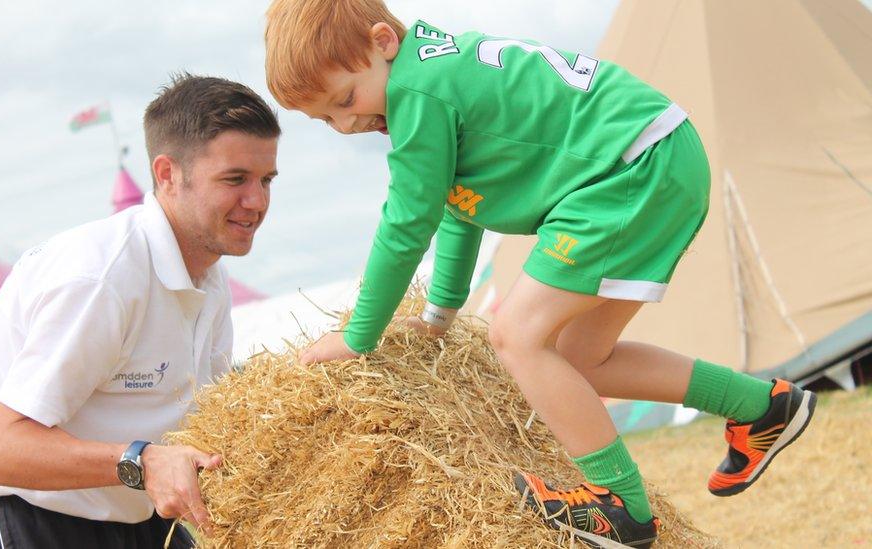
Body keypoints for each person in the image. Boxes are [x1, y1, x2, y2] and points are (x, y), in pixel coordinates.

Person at [263, 2, 815, 547]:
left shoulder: (417, 91)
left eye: (345, 99)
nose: (347, 124)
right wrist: (437, 318)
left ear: (383, 43)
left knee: (516, 334)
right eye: (325, 120)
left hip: (628, 169)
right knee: (579, 359)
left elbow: (407, 222)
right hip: (656, 157)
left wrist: (359, 335)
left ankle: (618, 505)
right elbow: (460, 210)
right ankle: (762, 406)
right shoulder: (436, 71)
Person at [0, 74, 280, 549]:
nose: (258, 202)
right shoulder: (102, 278)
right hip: (27, 516)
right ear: (167, 174)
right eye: (235, 179)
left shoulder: (210, 276)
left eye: (266, 179)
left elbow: (204, 427)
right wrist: (142, 461)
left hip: (134, 515)